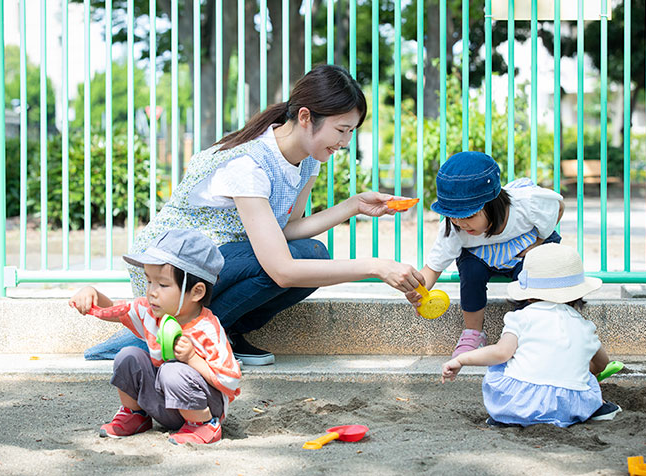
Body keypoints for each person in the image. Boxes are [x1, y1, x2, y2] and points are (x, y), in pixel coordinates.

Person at [88, 64, 424, 366]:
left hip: (220, 261)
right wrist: (375, 266)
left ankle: (222, 331)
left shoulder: (309, 160)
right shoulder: (248, 165)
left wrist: (353, 206)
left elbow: (287, 230)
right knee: (297, 263)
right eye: (341, 130)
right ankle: (167, 333)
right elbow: (281, 269)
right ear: (306, 117)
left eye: (352, 131)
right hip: (172, 272)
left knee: (313, 253)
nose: (346, 141)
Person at [69, 228, 241, 445]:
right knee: (128, 355)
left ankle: (204, 426)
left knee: (171, 370)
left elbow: (231, 380)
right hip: (164, 404)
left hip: (206, 407)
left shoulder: (207, 329)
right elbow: (115, 308)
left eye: (163, 284)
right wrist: (92, 294)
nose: (152, 291)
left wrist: (192, 359)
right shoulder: (151, 314)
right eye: (149, 281)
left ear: (197, 292)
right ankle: (136, 415)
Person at [440, 243, 621, 427]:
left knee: (502, 366)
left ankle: (505, 417)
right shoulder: (585, 326)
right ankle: (599, 408)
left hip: (519, 403)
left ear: (527, 293)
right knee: (586, 379)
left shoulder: (522, 317)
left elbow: (501, 352)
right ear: (577, 294)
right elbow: (602, 363)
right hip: (568, 408)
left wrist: (462, 359)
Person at [405, 151, 564, 358]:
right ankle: (473, 333)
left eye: (469, 216)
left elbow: (558, 206)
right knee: (470, 271)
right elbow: (433, 268)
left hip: (525, 246)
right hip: (482, 255)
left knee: (531, 275)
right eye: (453, 217)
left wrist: (538, 243)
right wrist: (419, 291)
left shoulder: (528, 204)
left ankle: (526, 333)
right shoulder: (455, 229)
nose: (461, 223)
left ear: (493, 203)